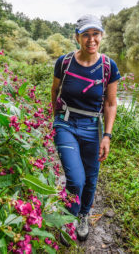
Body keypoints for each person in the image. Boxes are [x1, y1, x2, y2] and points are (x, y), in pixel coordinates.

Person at [51, 14, 121, 244]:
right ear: (77, 37)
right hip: (66, 123)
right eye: (85, 35)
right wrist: (56, 119)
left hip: (93, 127)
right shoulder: (65, 62)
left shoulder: (108, 66)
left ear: (101, 36)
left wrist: (107, 136)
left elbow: (111, 103)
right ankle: (67, 218)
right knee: (76, 178)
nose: (91, 40)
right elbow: (55, 91)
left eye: (95, 34)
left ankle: (83, 215)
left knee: (91, 178)